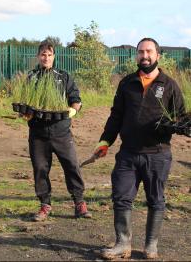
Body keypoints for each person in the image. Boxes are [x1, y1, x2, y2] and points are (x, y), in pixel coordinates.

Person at [93, 37, 186, 260]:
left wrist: (179, 126)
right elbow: (116, 116)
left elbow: (180, 117)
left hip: (157, 154)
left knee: (155, 199)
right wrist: (105, 141)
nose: (144, 56)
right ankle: (122, 243)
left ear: (158, 55)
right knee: (121, 197)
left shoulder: (170, 85)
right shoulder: (127, 83)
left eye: (149, 52)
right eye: (141, 52)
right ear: (136, 55)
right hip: (128, 153)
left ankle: (151, 245)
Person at [25, 40, 91, 221]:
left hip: (61, 132)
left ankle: (79, 203)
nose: (46, 58)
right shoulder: (31, 77)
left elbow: (76, 99)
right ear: (38, 57)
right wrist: (26, 114)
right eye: (43, 55)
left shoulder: (64, 76)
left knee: (71, 166)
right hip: (38, 134)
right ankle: (45, 205)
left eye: (49, 55)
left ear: (54, 57)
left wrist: (74, 110)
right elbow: (25, 102)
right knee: (40, 169)